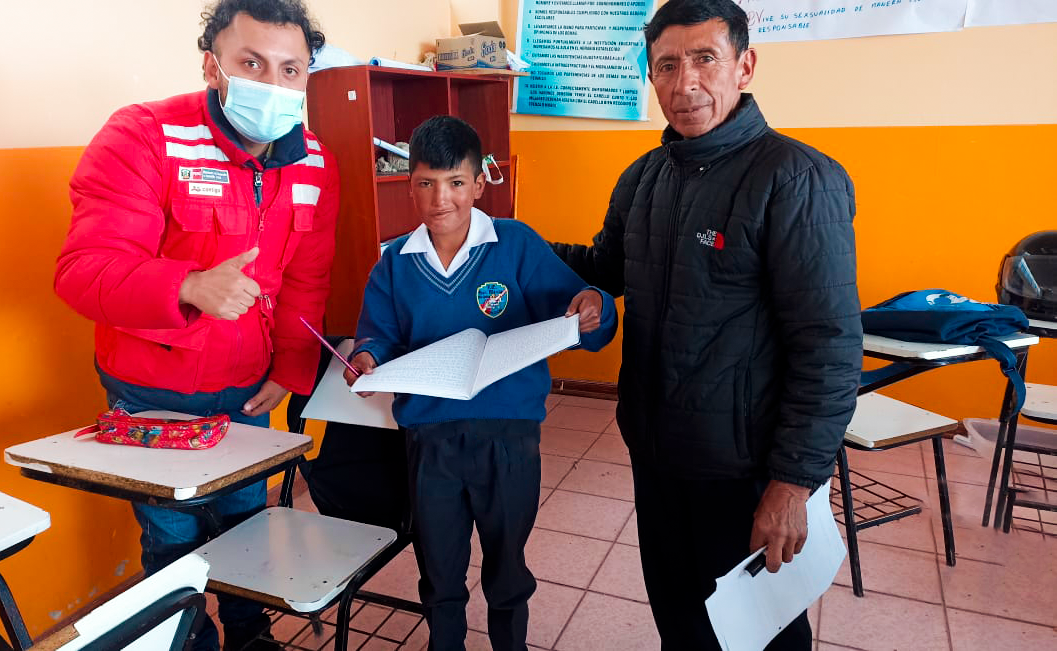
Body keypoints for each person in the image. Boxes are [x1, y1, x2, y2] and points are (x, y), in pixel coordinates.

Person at [550, 1, 862, 648]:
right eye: (666, 64)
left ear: (744, 66)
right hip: (657, 452)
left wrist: (792, 482)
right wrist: (507, 242)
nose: (684, 82)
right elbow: (606, 266)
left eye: (704, 59)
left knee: (758, 633)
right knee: (681, 622)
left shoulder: (796, 179)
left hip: (745, 470)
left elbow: (829, 347)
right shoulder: (644, 178)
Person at [54, 1, 338, 649]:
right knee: (172, 535)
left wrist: (291, 367)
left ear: (307, 76)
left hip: (248, 390)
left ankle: (247, 632)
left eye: (290, 69)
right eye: (251, 63)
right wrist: (184, 285)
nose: (272, 83)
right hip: (150, 393)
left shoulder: (315, 161)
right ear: (213, 66)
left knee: (246, 523)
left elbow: (307, 277)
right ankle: (183, 638)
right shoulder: (142, 136)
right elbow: (83, 268)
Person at [344, 116, 617, 651]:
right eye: (425, 183)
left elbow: (583, 307)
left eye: (455, 182)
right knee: (439, 565)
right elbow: (377, 335)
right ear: (410, 185)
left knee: (507, 564)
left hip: (508, 437)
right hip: (431, 439)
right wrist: (367, 356)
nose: (439, 198)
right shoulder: (395, 263)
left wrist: (594, 307)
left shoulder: (514, 243)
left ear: (478, 183)